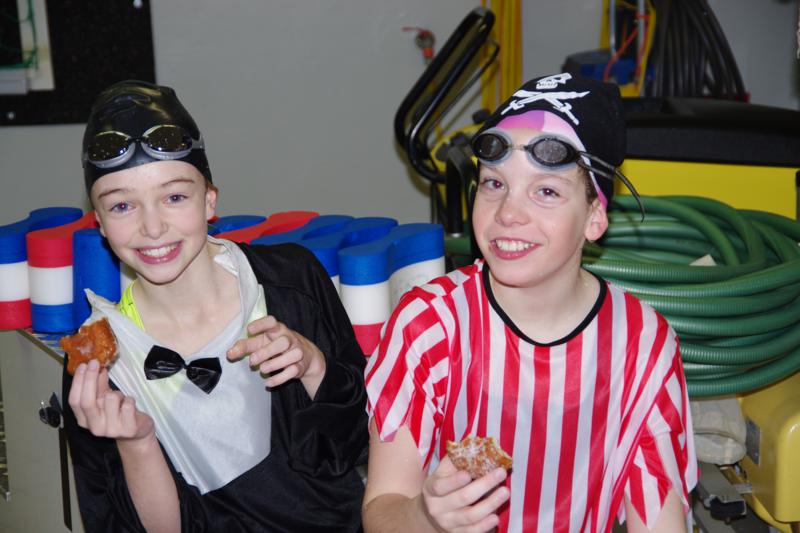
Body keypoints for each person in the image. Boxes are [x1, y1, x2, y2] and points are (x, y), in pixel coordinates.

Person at [362, 72, 697, 533]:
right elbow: (382, 511)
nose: (508, 214)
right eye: (494, 184)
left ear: (594, 217)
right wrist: (426, 517)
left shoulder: (642, 345)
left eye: (546, 191)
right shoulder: (430, 324)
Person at [63, 80, 368, 532]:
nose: (152, 227)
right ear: (101, 224)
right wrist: (138, 442)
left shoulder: (291, 283)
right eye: (123, 206)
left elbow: (361, 443)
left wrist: (313, 367)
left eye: (174, 197)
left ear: (209, 201)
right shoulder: (100, 364)